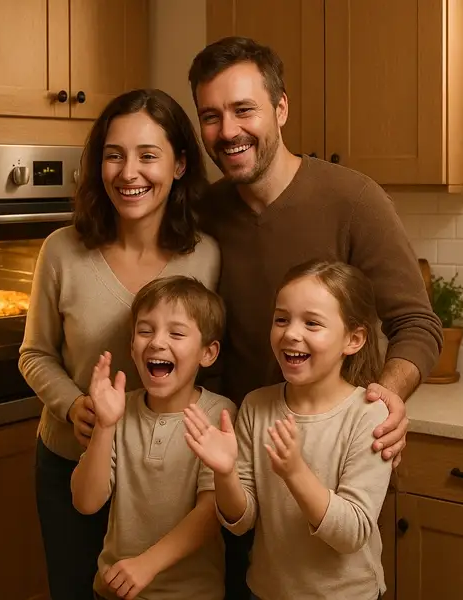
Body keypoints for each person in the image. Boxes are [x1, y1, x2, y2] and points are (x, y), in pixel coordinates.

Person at [186, 36, 442, 598]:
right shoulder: (201, 214)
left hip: (334, 469)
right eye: (211, 116)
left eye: (244, 109)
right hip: (235, 475)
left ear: (281, 109)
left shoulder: (353, 200)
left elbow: (418, 324)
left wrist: (386, 400)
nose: (227, 131)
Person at [18, 88, 220, 600]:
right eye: (114, 155)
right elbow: (33, 353)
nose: (129, 172)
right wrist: (72, 406)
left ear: (178, 166)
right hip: (71, 461)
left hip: (164, 480)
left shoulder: (206, 257)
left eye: (148, 156)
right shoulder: (61, 250)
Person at [184, 259, 393, 600]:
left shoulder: (368, 415)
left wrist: (295, 472)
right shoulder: (256, 406)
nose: (291, 333)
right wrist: (224, 474)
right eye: (282, 319)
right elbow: (242, 520)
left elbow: (352, 533)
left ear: (353, 339)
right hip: (267, 591)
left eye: (312, 323)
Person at [71, 276, 235, 600]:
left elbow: (211, 512)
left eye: (176, 333)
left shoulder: (220, 413)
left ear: (208, 352)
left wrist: (147, 565)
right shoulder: (121, 411)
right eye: (145, 331)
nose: (157, 342)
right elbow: (86, 502)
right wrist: (104, 426)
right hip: (113, 591)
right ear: (132, 347)